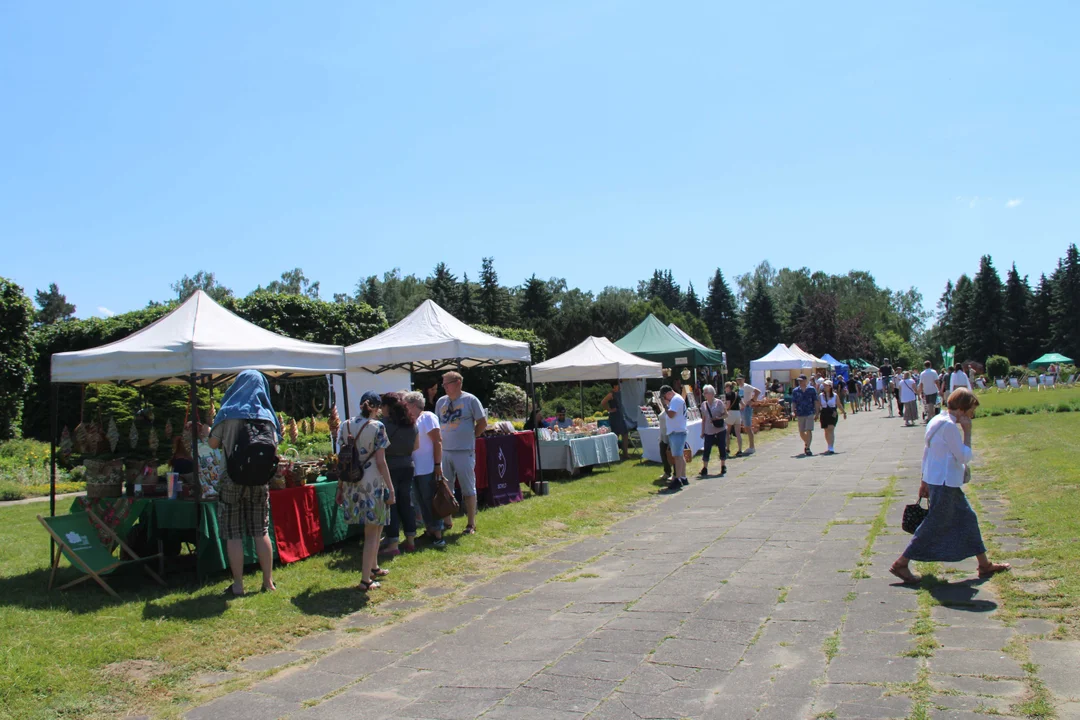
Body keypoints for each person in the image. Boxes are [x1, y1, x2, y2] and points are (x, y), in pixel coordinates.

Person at [889, 388, 1011, 585]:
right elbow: (964, 456)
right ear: (962, 409)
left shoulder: (936, 420)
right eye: (971, 410)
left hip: (939, 480)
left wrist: (924, 480)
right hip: (945, 482)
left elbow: (927, 453)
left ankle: (984, 564)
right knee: (932, 525)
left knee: (968, 518)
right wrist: (968, 432)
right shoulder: (949, 427)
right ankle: (901, 563)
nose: (972, 414)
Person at [207, 370, 282, 597]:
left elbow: (212, 444)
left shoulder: (228, 413)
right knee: (261, 530)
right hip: (260, 480)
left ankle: (238, 585)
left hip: (231, 479)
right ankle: (268, 582)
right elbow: (274, 447)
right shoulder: (269, 416)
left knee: (234, 533)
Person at [336, 391, 395, 591]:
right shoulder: (378, 427)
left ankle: (374, 566)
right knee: (373, 530)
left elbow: (342, 458)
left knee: (375, 527)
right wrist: (391, 487)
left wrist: (340, 486)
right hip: (372, 483)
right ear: (376, 408)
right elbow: (381, 461)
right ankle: (365, 579)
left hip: (353, 481)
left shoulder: (345, 425)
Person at [435, 371, 486, 535]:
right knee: (445, 487)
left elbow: (482, 423)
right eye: (443, 384)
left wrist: (471, 437)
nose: (444, 387)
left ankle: (471, 523)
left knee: (467, 487)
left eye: (446, 384)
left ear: (457, 383)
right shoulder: (441, 402)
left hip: (464, 451)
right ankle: (447, 521)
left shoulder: (470, 400)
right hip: (445, 451)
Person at [404, 391, 446, 548]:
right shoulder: (412, 420)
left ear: (413, 405)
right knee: (421, 502)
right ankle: (430, 530)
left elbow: (438, 441)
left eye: (406, 405)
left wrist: (437, 465)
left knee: (431, 502)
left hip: (428, 467)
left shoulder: (427, 417)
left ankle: (438, 534)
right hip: (416, 469)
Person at [379, 392, 418, 556]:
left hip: (390, 466)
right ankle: (410, 540)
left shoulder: (383, 425)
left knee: (391, 504)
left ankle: (393, 543)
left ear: (387, 407)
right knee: (406, 502)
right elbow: (416, 446)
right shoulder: (411, 424)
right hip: (408, 465)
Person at [659, 385, 687, 492]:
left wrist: (665, 406)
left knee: (677, 456)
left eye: (665, 397)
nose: (665, 399)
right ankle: (683, 477)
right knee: (680, 455)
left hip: (677, 432)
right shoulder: (677, 398)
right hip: (677, 431)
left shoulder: (675, 400)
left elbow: (671, 414)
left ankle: (678, 479)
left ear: (669, 393)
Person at [698, 384, 728, 478]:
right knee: (707, 448)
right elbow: (704, 419)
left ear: (711, 393)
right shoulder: (703, 404)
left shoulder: (719, 402)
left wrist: (719, 417)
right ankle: (705, 468)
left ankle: (723, 465)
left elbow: (726, 414)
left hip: (720, 429)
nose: (704, 394)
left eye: (706, 393)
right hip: (708, 430)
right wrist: (702, 431)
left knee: (721, 446)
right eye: (704, 393)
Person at [791, 374, 819, 457]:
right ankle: (807, 442)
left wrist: (817, 413)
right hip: (800, 413)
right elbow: (793, 402)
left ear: (805, 381)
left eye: (801, 380)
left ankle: (807, 448)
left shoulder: (811, 389)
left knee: (809, 429)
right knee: (801, 431)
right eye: (799, 381)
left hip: (810, 412)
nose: (800, 382)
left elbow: (816, 401)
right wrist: (792, 411)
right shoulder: (795, 391)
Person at [601, 382, 630, 460]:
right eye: (618, 385)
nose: (620, 386)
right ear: (614, 386)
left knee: (625, 433)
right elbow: (603, 402)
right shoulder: (611, 394)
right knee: (615, 435)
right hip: (614, 417)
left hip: (620, 416)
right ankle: (615, 454)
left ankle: (625, 453)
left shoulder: (619, 393)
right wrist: (609, 410)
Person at [818, 380, 846, 455]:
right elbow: (818, 405)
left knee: (831, 429)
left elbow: (839, 404)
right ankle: (829, 445)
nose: (825, 387)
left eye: (826, 385)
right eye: (824, 385)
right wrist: (817, 414)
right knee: (826, 431)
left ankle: (831, 447)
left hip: (832, 413)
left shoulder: (835, 395)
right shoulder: (821, 395)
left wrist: (843, 412)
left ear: (830, 386)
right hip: (824, 413)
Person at [735, 376, 761, 455]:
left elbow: (757, 391)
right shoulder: (739, 388)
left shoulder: (746, 386)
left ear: (744, 379)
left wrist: (752, 400)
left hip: (746, 408)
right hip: (741, 408)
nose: (739, 381)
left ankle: (752, 447)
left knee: (748, 427)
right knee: (746, 427)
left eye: (740, 379)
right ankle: (750, 446)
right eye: (738, 380)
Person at [653, 398, 672, 481]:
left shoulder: (671, 407)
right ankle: (667, 472)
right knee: (663, 454)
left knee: (672, 455)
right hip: (663, 435)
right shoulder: (664, 408)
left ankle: (675, 474)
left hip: (670, 434)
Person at [724, 381, 743, 456]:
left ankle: (727, 448)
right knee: (738, 433)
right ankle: (740, 450)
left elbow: (728, 405)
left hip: (731, 413)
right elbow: (743, 404)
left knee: (727, 432)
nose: (725, 389)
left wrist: (724, 409)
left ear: (728, 387)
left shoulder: (728, 394)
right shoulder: (737, 395)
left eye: (725, 387)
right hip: (738, 413)